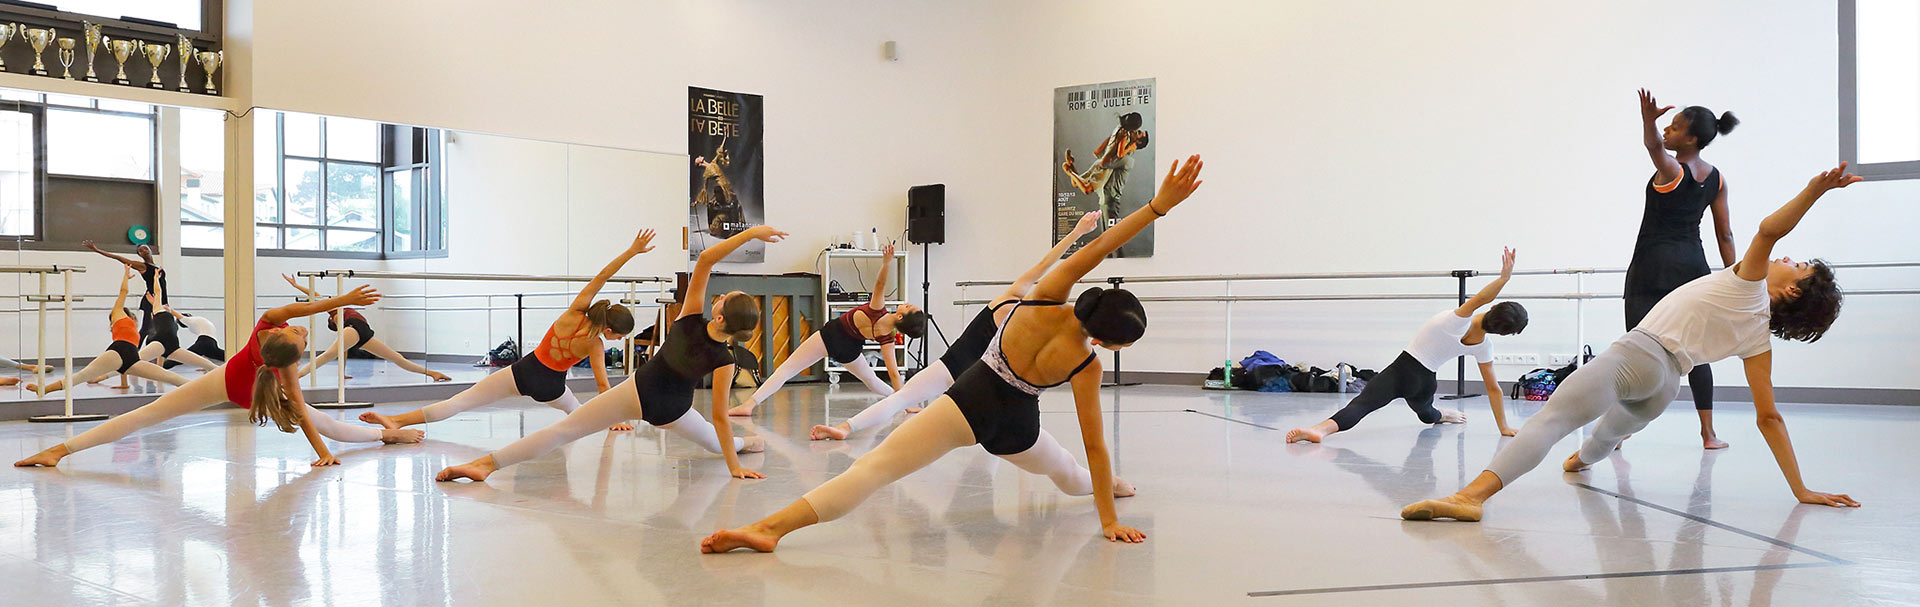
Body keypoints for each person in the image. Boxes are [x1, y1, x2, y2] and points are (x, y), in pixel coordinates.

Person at [700, 154, 1205, 554]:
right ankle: (1114, 491)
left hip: (970, 401)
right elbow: (1096, 446)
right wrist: (1109, 523)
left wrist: (1159, 206)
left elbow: (1096, 247)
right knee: (1070, 470)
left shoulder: (1050, 296)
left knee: (872, 470)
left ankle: (769, 528)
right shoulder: (1086, 365)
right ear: (1110, 342)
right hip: (1018, 426)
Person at [1399, 164, 1864, 522]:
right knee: (1605, 435)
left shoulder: (1751, 285)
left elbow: (1768, 230)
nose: (1786, 258)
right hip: (1665, 386)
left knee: (1552, 418)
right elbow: (1769, 417)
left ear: (1792, 291)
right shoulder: (1758, 339)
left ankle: (1471, 498)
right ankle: (1582, 460)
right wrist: (1800, 488)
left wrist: (1815, 191)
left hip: (1640, 353)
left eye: (1797, 265)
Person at [434, 226, 785, 483]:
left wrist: (752, 232)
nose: (719, 297)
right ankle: (744, 445)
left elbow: (707, 258)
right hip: (672, 410)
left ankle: (486, 464)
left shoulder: (690, 317)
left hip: (636, 391)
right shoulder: (725, 358)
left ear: (720, 315)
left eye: (725, 299)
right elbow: (721, 418)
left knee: (565, 430)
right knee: (713, 438)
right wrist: (732, 467)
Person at [15, 281, 421, 468]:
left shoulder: (273, 343)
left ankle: (387, 434)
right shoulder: (280, 354)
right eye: (299, 333)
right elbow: (302, 316)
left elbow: (299, 403)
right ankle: (58, 452)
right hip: (230, 383)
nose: (300, 329)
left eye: (299, 335)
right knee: (143, 415)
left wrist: (324, 454)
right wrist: (345, 299)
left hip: (232, 383)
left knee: (332, 428)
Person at [810, 210, 1102, 440]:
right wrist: (1077, 232)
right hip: (960, 370)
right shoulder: (1019, 303)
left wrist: (1079, 232)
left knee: (914, 407)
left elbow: (1049, 269)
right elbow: (1048, 264)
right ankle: (846, 427)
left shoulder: (1023, 310)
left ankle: (846, 428)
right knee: (904, 402)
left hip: (970, 376)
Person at [360, 230, 650, 433]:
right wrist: (614, 419)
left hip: (524, 370)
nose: (619, 341)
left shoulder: (574, 312)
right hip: (551, 386)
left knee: (461, 401)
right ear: (609, 329)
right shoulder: (594, 345)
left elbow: (602, 276)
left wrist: (631, 251)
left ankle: (397, 420)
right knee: (577, 412)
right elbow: (602, 387)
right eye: (619, 337)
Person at [1285, 248, 1529, 442]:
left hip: (1400, 371)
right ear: (1503, 333)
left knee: (1362, 405)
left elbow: (1481, 298)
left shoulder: (1456, 321)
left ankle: (1320, 430)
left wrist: (1504, 278)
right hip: (1425, 383)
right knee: (1426, 414)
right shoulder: (1483, 347)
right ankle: (1441, 415)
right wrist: (1504, 427)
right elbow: (1495, 389)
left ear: (1494, 307)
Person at [1629, 89, 1741, 449]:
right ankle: (1708, 434)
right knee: (1694, 352)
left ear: (1692, 139)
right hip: (1693, 266)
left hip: (1652, 266)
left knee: (1636, 346)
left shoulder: (1674, 170)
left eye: (1674, 127)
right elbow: (1724, 233)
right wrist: (1735, 277)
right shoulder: (1717, 178)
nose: (1667, 130)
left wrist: (1647, 120)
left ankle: (1623, 429)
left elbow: (1653, 148)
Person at [726, 241, 927, 417]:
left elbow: (880, 283)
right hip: (849, 350)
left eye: (908, 307)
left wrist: (886, 262)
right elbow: (893, 373)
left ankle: (749, 405)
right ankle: (903, 405)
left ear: (900, 316)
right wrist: (905, 400)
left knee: (787, 369)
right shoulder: (887, 339)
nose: (907, 302)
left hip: (831, 335)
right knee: (872, 380)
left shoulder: (877, 309)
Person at [26, 268, 191, 396]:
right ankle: (45, 389)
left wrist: (156, 280)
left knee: (168, 377)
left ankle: (202, 388)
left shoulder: (133, 323)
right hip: (117, 352)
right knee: (82, 375)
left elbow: (157, 297)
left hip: (132, 357)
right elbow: (123, 293)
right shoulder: (118, 314)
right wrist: (126, 277)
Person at [282, 274, 452, 383]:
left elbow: (315, 294)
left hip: (363, 333)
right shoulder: (340, 321)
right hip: (359, 330)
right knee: (328, 355)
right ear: (334, 323)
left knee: (397, 358)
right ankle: (297, 376)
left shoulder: (334, 310)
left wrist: (296, 285)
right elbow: (343, 352)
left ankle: (432, 373)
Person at [1062, 112, 1150, 222]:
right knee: (1087, 189)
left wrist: (1113, 139)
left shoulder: (1118, 130)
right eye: (1138, 131)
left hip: (1099, 161)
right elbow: (1119, 155)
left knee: (1076, 183)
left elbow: (1097, 152)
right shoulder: (1125, 138)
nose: (1137, 132)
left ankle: (1070, 165)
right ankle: (1069, 171)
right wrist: (1127, 147)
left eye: (1139, 132)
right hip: (1104, 168)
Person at [131, 277, 221, 373]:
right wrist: (155, 278)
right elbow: (158, 291)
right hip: (161, 342)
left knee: (205, 364)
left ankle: (226, 374)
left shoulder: (168, 315)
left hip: (173, 346)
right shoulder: (157, 310)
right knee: (132, 361)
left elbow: (158, 294)